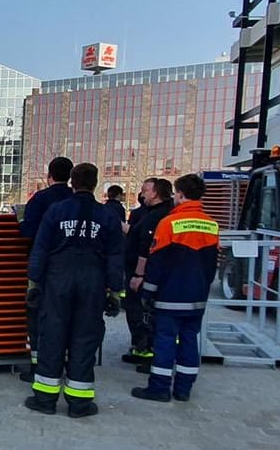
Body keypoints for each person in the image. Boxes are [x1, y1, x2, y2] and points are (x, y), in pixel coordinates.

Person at [24, 163, 124, 418]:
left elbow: (41, 249)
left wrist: (34, 283)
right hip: (92, 283)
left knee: (52, 336)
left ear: (72, 181)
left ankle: (45, 399)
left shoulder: (57, 211)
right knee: (85, 338)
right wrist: (114, 291)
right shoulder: (107, 216)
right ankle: (79, 403)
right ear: (95, 183)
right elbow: (115, 256)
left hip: (57, 282)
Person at [133, 174, 220, 403]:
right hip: (197, 296)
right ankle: (183, 389)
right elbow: (212, 264)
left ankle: (159, 388)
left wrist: (148, 293)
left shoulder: (169, 223)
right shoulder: (211, 224)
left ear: (180, 194)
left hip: (170, 294)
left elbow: (157, 262)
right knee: (190, 340)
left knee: (165, 340)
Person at [16, 157, 74, 382]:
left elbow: (29, 233)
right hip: (72, 270)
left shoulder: (40, 199)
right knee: (67, 318)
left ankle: (37, 366)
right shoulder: (75, 199)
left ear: (49, 175)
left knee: (38, 317)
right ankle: (67, 362)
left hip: (43, 268)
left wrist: (20, 219)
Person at [121, 178, 174, 365]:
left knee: (141, 311)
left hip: (147, 273)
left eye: (146, 190)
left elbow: (145, 247)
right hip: (163, 273)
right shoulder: (162, 213)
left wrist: (138, 275)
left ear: (156, 192)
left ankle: (145, 350)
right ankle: (151, 349)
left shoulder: (156, 216)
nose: (142, 194)